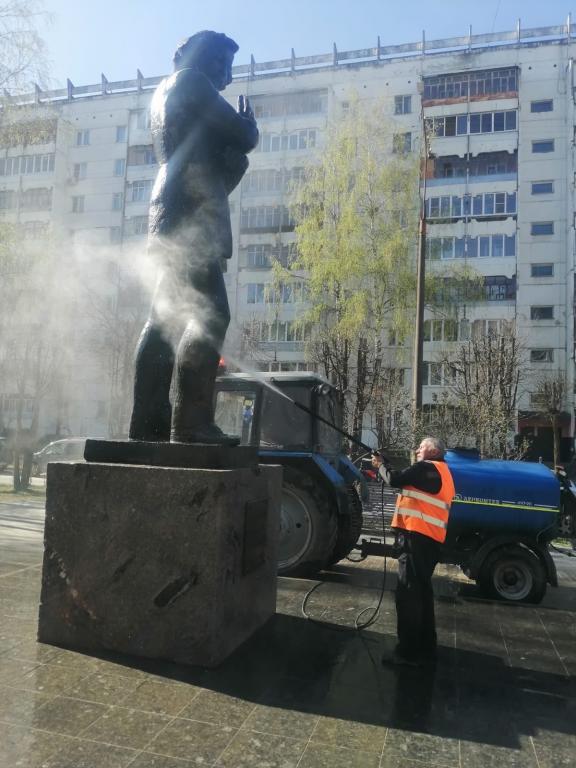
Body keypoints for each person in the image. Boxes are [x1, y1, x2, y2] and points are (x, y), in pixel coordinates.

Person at [129, 31, 259, 444]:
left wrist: (230, 163)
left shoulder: (168, 93)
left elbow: (216, 159)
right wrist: (249, 127)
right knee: (211, 315)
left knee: (164, 321)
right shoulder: (190, 81)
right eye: (222, 63)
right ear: (197, 54)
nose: (226, 77)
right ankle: (190, 423)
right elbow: (243, 136)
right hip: (191, 211)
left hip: (174, 207)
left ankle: (148, 424)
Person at [373, 437, 455, 666]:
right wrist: (386, 464)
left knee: (408, 595)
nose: (417, 449)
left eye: (422, 446)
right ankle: (426, 647)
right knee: (423, 595)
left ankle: (407, 652)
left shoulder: (425, 467)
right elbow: (406, 478)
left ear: (434, 451)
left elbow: (395, 479)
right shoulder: (442, 471)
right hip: (430, 541)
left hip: (416, 540)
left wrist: (380, 465)